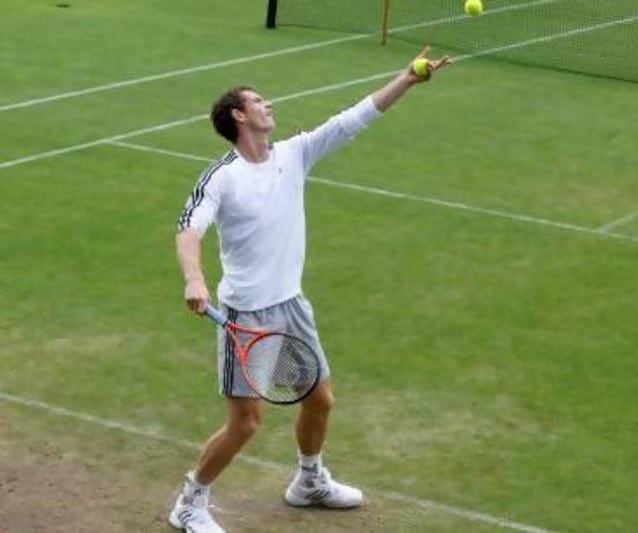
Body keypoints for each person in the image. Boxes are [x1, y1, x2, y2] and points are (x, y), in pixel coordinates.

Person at [168, 46, 451, 533]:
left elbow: (351, 121)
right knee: (246, 424)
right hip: (246, 316)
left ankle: (308, 481)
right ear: (239, 116)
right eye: (258, 101)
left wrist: (406, 80)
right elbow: (188, 230)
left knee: (319, 401)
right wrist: (194, 278)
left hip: (292, 306)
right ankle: (190, 502)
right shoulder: (222, 177)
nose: (268, 104)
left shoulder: (293, 155)